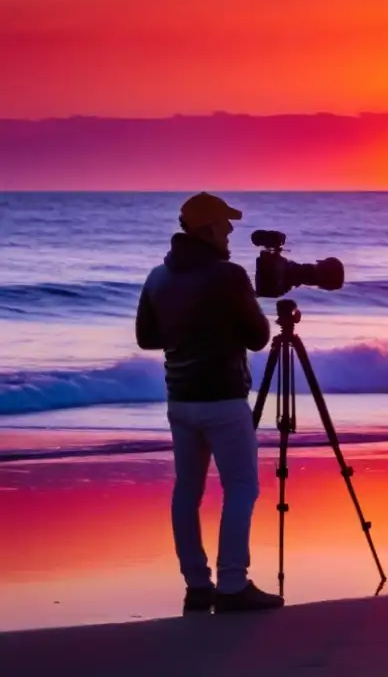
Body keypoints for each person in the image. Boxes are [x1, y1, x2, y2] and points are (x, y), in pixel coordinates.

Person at [135, 192, 284, 614]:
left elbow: (147, 337)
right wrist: (220, 327)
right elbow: (258, 337)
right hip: (222, 398)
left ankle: (197, 585)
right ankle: (233, 585)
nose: (231, 231)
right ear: (207, 230)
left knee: (187, 491)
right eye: (225, 224)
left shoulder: (157, 276)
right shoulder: (228, 275)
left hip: (180, 399)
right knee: (241, 487)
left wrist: (190, 332)